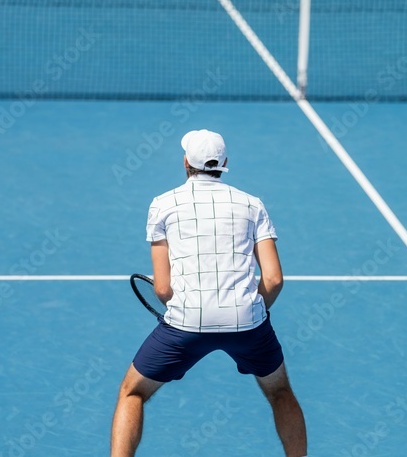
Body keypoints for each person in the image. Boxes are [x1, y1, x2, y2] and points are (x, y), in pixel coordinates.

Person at [110, 130, 307, 457]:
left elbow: (162, 288)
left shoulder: (162, 205)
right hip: (248, 323)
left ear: (186, 162)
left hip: (186, 323)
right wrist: (255, 313)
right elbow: (272, 280)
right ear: (224, 163)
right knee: (280, 391)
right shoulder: (252, 205)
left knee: (132, 393)